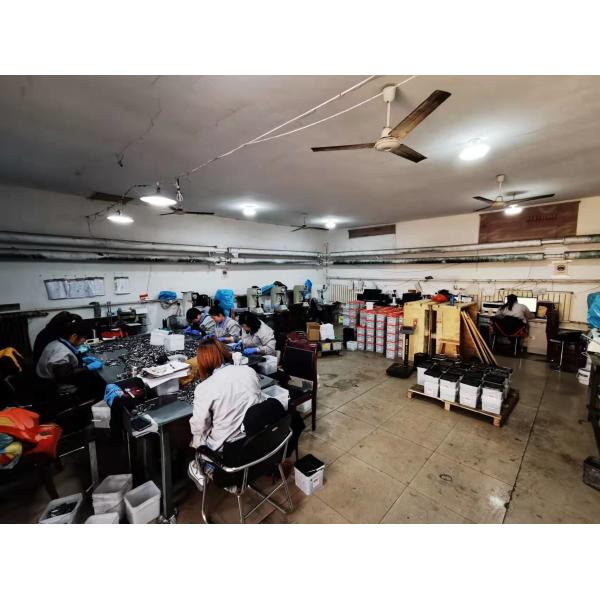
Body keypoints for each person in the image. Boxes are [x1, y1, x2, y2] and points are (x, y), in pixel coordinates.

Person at [187, 338, 263, 490]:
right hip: (257, 442)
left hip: (230, 455)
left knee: (196, 439)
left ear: (203, 362)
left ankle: (199, 467)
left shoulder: (204, 388)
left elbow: (198, 427)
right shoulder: (248, 371)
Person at [35, 320, 104, 403]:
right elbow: (65, 376)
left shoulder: (57, 342)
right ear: (73, 336)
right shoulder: (62, 352)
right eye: (83, 338)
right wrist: (87, 368)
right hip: (54, 388)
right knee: (98, 384)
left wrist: (81, 359)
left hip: (46, 382)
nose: (84, 341)